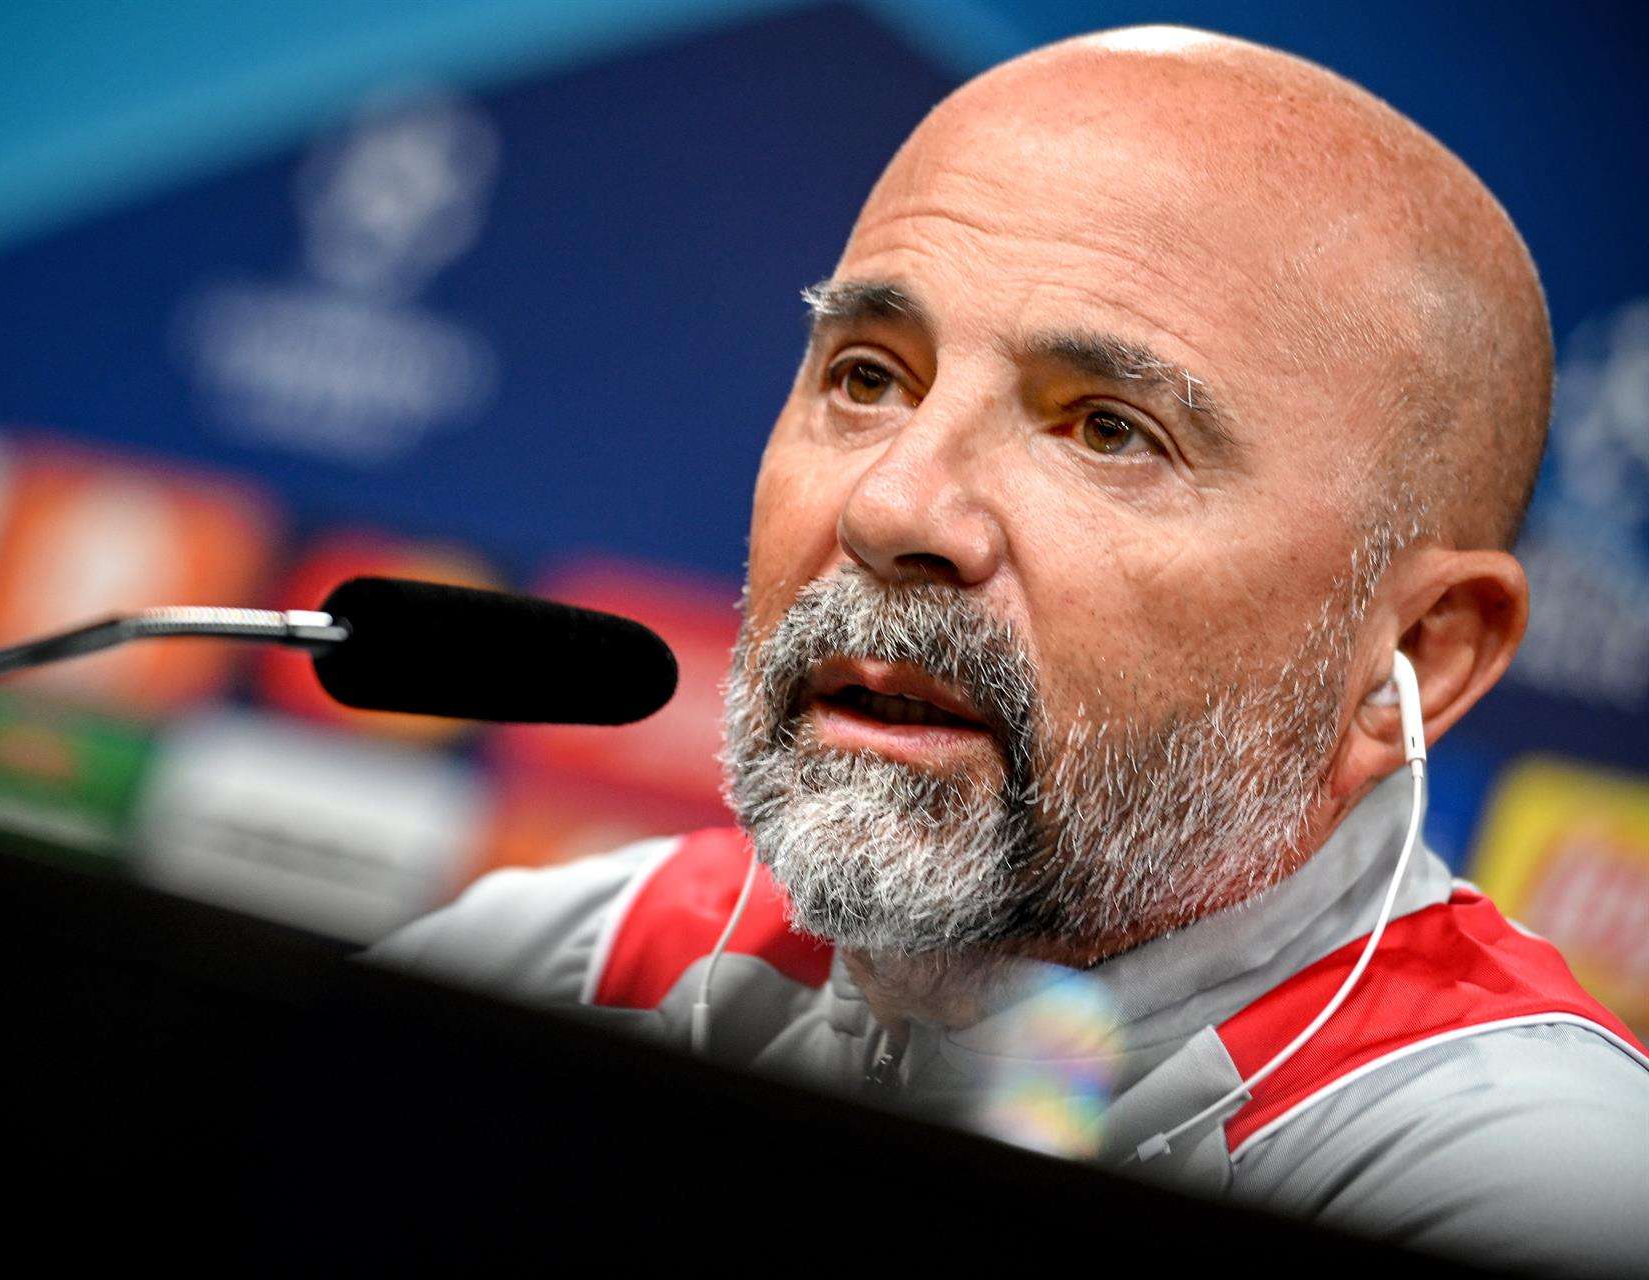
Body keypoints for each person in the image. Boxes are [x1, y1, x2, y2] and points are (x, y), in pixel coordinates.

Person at [373, 26, 1648, 1273]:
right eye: (870, 376)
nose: (891, 508)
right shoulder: (582, 961)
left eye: (1105, 429)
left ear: (1415, 653)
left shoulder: (1534, 1181)